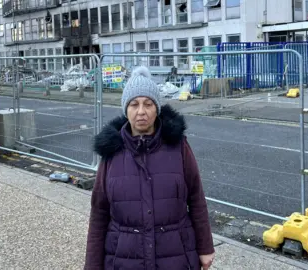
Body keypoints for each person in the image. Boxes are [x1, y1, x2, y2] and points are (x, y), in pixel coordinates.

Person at [85, 66, 215, 270]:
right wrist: (92, 264)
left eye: (148, 104)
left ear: (157, 108)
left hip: (175, 256)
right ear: (125, 109)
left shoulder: (179, 146)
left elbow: (196, 198)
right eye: (134, 104)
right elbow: (99, 212)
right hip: (124, 259)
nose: (141, 111)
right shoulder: (111, 152)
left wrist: (205, 247)